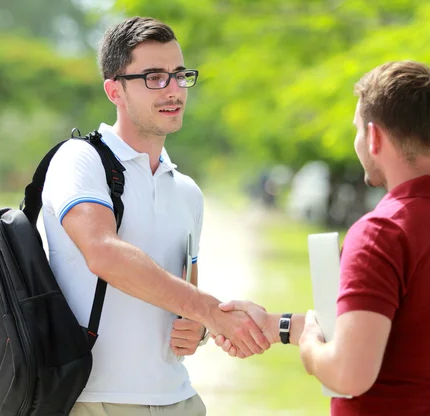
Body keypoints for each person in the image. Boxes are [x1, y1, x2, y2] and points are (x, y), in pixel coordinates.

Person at [215, 60, 430, 415]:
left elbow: (348, 375)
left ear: (374, 136)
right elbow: (384, 331)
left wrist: (309, 349)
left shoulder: (380, 233)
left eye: (357, 130)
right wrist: (280, 326)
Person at [41, 16, 270, 416]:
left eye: (180, 75)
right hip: (95, 400)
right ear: (115, 89)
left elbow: (185, 300)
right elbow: (104, 253)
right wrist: (210, 311)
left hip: (178, 399)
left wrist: (199, 329)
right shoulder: (80, 160)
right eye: (154, 77)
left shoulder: (187, 192)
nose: (174, 90)